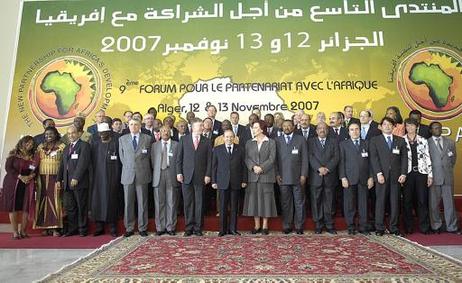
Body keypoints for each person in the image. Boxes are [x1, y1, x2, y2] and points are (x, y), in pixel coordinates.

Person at [370, 117, 408, 236]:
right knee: (380, 202)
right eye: (385, 124)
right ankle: (379, 228)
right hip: (381, 177)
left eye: (389, 125)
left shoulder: (400, 140)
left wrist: (403, 173)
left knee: (395, 202)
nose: (387, 126)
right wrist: (378, 173)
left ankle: (394, 227)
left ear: (393, 127)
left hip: (396, 177)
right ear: (381, 126)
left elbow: (404, 158)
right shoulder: (375, 140)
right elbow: (373, 158)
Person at [176, 118, 212, 237]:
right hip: (186, 176)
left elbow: (209, 160)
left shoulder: (207, 141)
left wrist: (208, 174)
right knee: (188, 202)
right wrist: (178, 172)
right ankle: (189, 227)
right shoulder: (184, 140)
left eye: (202, 125)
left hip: (201, 177)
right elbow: (179, 158)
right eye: (200, 126)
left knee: (199, 202)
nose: (202, 127)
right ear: (192, 127)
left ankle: (198, 228)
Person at [119, 118, 153, 237]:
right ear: (128, 126)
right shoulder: (122, 139)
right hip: (128, 174)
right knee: (128, 203)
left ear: (140, 126)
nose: (133, 127)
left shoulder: (147, 138)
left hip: (142, 174)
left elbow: (149, 156)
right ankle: (129, 228)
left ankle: (142, 227)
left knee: (142, 202)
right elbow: (122, 157)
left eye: (136, 124)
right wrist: (130, 167)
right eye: (131, 124)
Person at [339, 122, 374, 235]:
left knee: (363, 204)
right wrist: (343, 177)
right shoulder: (343, 144)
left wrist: (371, 177)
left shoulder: (367, 143)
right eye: (352, 129)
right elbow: (341, 163)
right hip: (349, 179)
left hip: (364, 179)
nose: (355, 131)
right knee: (350, 204)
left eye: (357, 129)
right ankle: (351, 226)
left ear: (360, 130)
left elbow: (371, 162)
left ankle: (363, 226)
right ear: (348, 132)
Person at [243, 120, 277, 235]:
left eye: (256, 127)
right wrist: (253, 167)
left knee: (266, 200)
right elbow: (247, 158)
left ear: (262, 129)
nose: (253, 129)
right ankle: (256, 225)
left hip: (266, 175)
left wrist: (261, 168)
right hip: (253, 176)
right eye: (253, 127)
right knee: (254, 201)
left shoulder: (271, 142)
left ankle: (265, 225)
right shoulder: (249, 143)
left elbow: (272, 159)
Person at [57, 125, 91, 237]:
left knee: (81, 206)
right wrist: (59, 179)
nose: (71, 135)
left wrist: (76, 177)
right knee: (70, 207)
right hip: (67, 183)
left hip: (79, 182)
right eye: (69, 133)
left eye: (73, 133)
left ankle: (82, 229)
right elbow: (62, 165)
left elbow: (83, 164)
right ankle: (73, 229)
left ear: (78, 134)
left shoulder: (84, 146)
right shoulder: (67, 148)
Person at [212, 130, 247, 236]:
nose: (229, 139)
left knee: (234, 207)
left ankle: (233, 229)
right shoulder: (217, 149)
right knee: (222, 207)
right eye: (227, 137)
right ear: (223, 137)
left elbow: (243, 166)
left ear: (234, 138)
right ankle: (222, 230)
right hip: (222, 182)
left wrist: (244, 180)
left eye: (231, 137)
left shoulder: (240, 149)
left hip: (236, 182)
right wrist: (214, 181)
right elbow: (214, 167)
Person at [275, 120, 308, 234]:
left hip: (298, 177)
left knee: (299, 202)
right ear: (282, 128)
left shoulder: (301, 139)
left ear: (293, 127)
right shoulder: (277, 140)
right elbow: (275, 160)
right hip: (283, 177)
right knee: (285, 203)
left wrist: (304, 174)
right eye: (284, 126)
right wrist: (277, 174)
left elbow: (305, 159)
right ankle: (287, 225)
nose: (287, 127)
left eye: (289, 125)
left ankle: (299, 226)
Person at [1, 136, 36, 239]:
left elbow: (35, 169)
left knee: (26, 208)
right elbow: (8, 168)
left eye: (31, 144)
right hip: (13, 183)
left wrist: (30, 176)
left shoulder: (33, 156)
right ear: (22, 143)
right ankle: (15, 232)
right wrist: (20, 177)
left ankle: (23, 231)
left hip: (26, 184)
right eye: (27, 143)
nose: (29, 146)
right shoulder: (13, 154)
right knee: (13, 207)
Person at [428, 121, 460, 234]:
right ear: (431, 130)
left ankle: (452, 226)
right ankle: (436, 226)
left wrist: (447, 168)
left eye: (440, 128)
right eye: (435, 128)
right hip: (433, 178)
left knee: (449, 203)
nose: (438, 129)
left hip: (447, 177)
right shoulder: (426, 143)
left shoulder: (450, 142)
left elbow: (453, 158)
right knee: (433, 204)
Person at [90, 123, 122, 237]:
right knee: (98, 202)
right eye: (100, 133)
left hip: (112, 178)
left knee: (111, 201)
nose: (102, 135)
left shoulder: (115, 144)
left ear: (109, 132)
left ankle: (113, 227)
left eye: (104, 133)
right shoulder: (95, 145)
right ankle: (99, 227)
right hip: (97, 179)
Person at [402, 118, 433, 234]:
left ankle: (424, 227)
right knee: (407, 201)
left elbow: (427, 157)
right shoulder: (401, 140)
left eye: (412, 126)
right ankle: (408, 227)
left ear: (417, 127)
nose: (410, 128)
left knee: (422, 201)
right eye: (407, 126)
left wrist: (430, 175)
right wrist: (401, 174)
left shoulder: (423, 140)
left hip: (421, 174)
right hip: (407, 174)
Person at [308, 122, 339, 234]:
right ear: (316, 131)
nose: (322, 130)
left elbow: (336, 157)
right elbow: (310, 156)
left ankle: (329, 225)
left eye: (324, 128)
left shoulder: (334, 141)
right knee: (316, 201)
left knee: (329, 202)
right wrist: (319, 168)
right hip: (316, 176)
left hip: (329, 176)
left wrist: (327, 168)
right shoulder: (311, 142)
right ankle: (318, 225)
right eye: (319, 128)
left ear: (328, 130)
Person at [33, 127, 65, 236]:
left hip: (56, 177)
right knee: (42, 200)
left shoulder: (62, 146)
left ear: (56, 134)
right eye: (46, 134)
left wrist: (62, 178)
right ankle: (44, 227)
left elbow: (65, 163)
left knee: (55, 200)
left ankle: (56, 228)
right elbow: (35, 162)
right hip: (41, 177)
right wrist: (33, 177)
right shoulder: (40, 147)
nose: (48, 136)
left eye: (51, 133)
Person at [151, 126, 180, 236]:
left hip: (171, 174)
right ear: (160, 133)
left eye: (167, 131)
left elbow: (178, 161)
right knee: (159, 202)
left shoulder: (176, 145)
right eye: (163, 131)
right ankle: (160, 227)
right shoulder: (154, 145)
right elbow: (152, 161)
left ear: (171, 132)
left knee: (171, 201)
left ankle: (170, 227)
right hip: (158, 174)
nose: (165, 133)